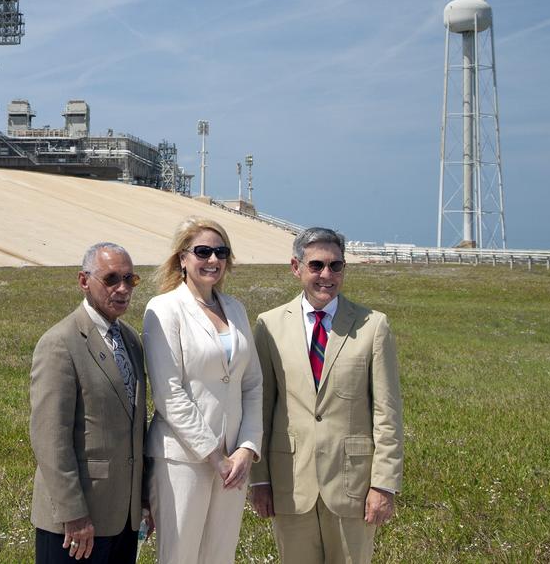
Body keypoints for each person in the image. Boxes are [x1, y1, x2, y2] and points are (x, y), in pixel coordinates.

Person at [248, 227, 403, 564]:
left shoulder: (373, 325)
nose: (326, 275)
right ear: (296, 267)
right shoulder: (269, 325)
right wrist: (259, 481)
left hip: (353, 486)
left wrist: (384, 484)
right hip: (290, 483)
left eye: (336, 266)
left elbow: (387, 412)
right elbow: (260, 408)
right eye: (316, 265)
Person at [142, 217, 263, 563]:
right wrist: (214, 456)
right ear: (182, 258)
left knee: (219, 555)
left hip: (234, 462)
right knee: (179, 555)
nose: (213, 260)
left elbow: (252, 384)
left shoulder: (236, 309)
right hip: (182, 459)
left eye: (220, 252)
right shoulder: (163, 309)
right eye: (203, 251)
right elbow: (169, 394)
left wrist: (247, 448)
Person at [30, 242, 152, 563]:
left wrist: (143, 500)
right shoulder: (59, 343)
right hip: (76, 525)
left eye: (130, 279)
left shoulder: (130, 339)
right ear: (84, 281)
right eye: (111, 279)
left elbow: (136, 425)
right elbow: (50, 438)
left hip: (122, 519)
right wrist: (74, 514)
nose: (123, 288)